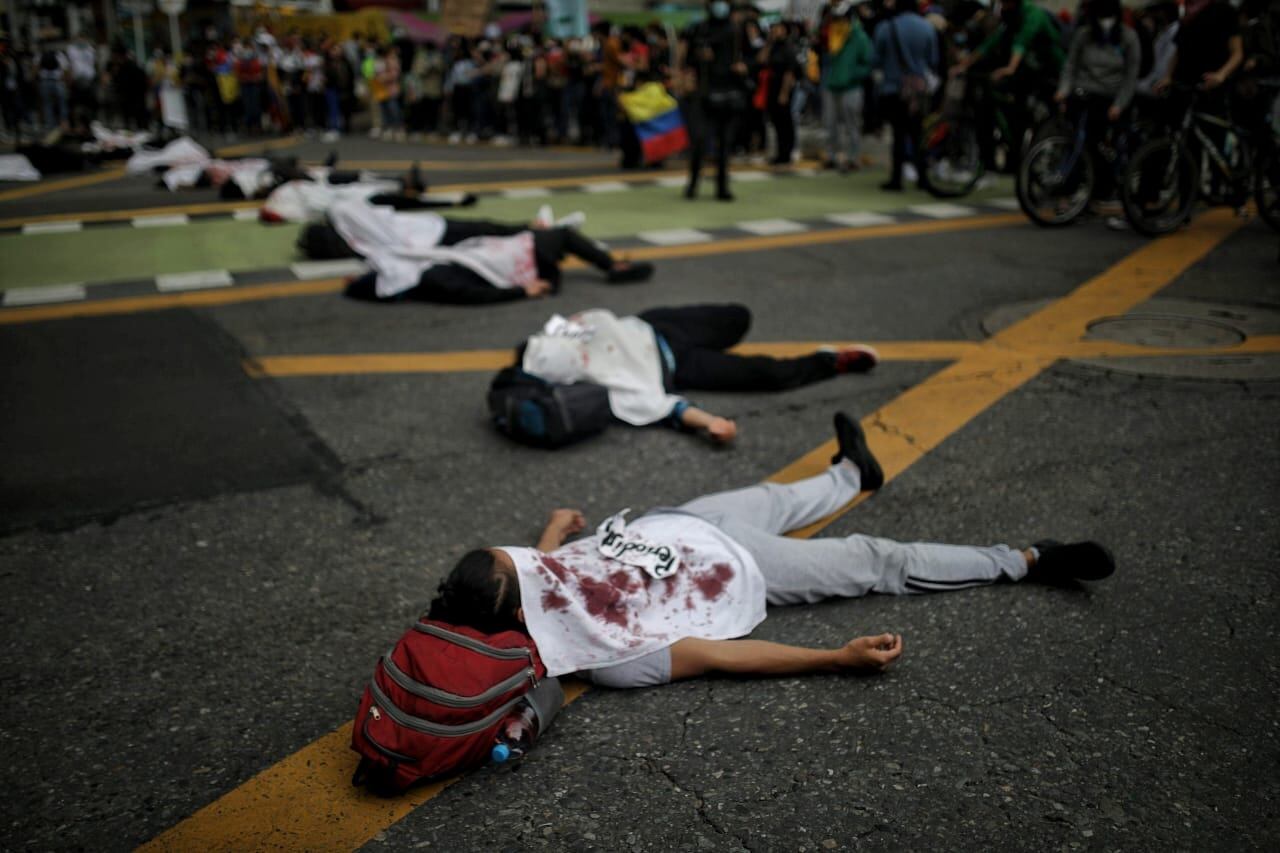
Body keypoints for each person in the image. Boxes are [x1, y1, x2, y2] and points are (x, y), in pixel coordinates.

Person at [422, 413, 1116, 690]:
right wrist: (834, 658)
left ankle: (852, 475)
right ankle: (1027, 558)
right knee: (875, 558)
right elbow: (721, 656)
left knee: (780, 496)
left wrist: (551, 530)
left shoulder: (526, 581)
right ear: (521, 613)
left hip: (680, 522)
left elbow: (539, 564)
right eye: (524, 563)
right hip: (742, 571)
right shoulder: (607, 656)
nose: (534, 557)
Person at [517, 305, 881, 443]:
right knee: (767, 375)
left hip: (657, 324)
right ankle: (830, 361)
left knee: (739, 317)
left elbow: (575, 321)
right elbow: (668, 407)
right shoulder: (606, 388)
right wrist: (710, 423)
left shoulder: (566, 334)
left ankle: (721, 343)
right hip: (681, 366)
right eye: (578, 358)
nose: (582, 351)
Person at [332, 198, 655, 305]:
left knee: (554, 237)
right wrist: (521, 291)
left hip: (512, 258)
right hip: (518, 263)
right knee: (563, 234)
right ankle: (610, 265)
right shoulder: (432, 278)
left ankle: (605, 263)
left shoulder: (419, 270)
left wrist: (360, 281)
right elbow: (470, 295)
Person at [1054, 0, 1141, 202]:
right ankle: (1070, 186)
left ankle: (1103, 187)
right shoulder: (1084, 35)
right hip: (1083, 93)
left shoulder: (1128, 37)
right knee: (1075, 141)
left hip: (1110, 98)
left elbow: (1131, 75)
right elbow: (1071, 65)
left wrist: (1119, 105)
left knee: (1102, 145)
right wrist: (1063, 90)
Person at [681, 0, 750, 201]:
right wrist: (699, 57)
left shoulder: (736, 31)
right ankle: (693, 184)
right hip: (704, 92)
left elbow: (751, 57)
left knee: (724, 145)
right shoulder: (700, 29)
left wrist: (743, 67)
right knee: (700, 142)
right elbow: (688, 60)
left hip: (729, 92)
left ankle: (722, 187)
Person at [873, 0, 941, 190]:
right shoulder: (927, 27)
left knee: (898, 135)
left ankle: (896, 179)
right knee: (919, 133)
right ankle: (922, 177)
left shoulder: (886, 28)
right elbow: (932, 59)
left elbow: (876, 59)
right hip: (918, 90)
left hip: (893, 89)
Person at [822, 0, 875, 172]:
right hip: (832, 85)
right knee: (830, 124)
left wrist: (851, 76)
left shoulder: (860, 37)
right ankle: (831, 156)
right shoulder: (833, 35)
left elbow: (868, 64)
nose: (838, 22)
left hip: (851, 87)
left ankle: (853, 158)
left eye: (842, 18)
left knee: (852, 125)